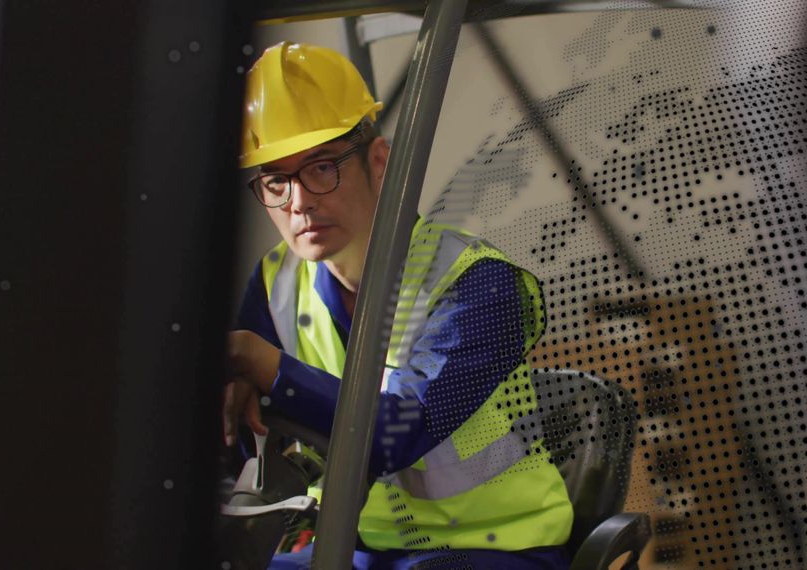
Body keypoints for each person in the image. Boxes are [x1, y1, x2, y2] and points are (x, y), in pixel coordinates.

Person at [226, 41, 574, 569]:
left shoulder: (478, 284)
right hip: (361, 546)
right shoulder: (278, 282)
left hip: (495, 547)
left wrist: (264, 365)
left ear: (380, 163)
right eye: (277, 180)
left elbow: (395, 435)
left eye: (321, 168)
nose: (299, 202)